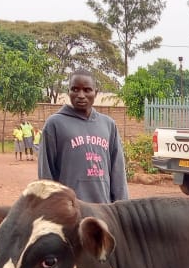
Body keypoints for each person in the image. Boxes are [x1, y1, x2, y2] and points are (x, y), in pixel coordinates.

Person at [38, 70, 129, 203]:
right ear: (68, 91)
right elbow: (46, 173)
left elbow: (118, 172)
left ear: (95, 93)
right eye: (75, 89)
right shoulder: (55, 124)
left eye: (87, 90)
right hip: (70, 211)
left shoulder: (108, 125)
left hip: (103, 209)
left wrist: (122, 208)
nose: (81, 95)